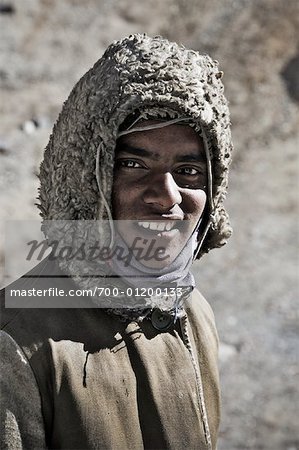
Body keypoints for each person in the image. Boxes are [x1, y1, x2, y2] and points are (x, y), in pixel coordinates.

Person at [0, 33, 233, 450]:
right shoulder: (15, 341)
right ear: (85, 180)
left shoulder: (194, 312)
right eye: (132, 164)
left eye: (189, 170)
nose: (167, 196)